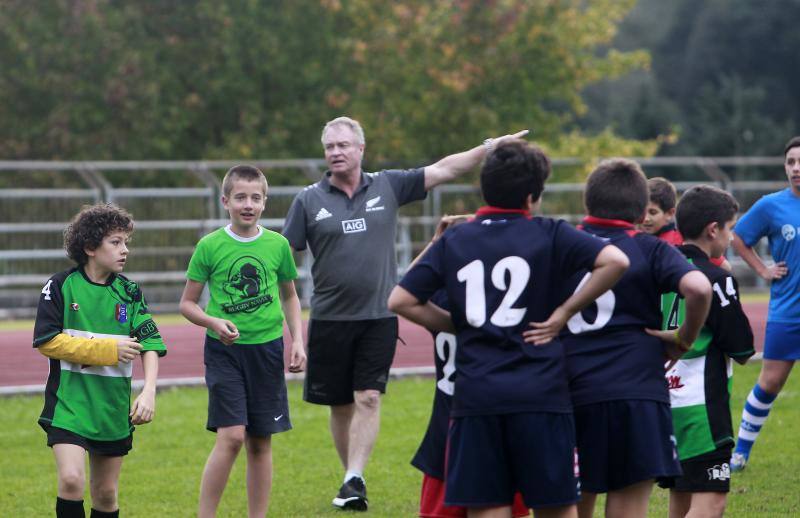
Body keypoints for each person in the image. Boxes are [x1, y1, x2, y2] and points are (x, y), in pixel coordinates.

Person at [282, 115, 527, 511]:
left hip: (379, 317)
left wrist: (490, 146)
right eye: (329, 146)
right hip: (329, 319)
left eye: (343, 145)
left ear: (361, 149)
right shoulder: (308, 200)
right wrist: (292, 331)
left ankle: (354, 477)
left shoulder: (388, 184)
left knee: (368, 397)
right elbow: (281, 261)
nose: (335, 152)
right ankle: (351, 478)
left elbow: (446, 167)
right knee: (340, 406)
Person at [389, 139, 630, 518]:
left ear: (484, 187)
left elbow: (400, 300)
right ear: (532, 197)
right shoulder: (550, 233)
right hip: (541, 394)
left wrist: (460, 324)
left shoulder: (456, 238)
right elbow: (615, 260)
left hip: (477, 398)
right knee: (555, 508)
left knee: (489, 508)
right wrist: (563, 314)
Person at [540, 159, 712, 518]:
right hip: (636, 391)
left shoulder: (559, 243)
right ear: (639, 210)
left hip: (569, 388)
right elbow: (698, 288)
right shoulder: (650, 248)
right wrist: (682, 339)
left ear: (587, 203)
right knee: (628, 505)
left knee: (572, 501)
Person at [180, 165, 306, 518]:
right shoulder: (210, 246)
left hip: (267, 351)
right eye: (240, 197)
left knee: (260, 442)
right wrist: (213, 321)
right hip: (225, 352)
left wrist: (298, 341)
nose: (247, 204)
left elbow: (290, 297)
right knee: (232, 436)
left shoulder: (278, 245)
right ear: (225, 201)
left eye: (255, 197)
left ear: (265, 202)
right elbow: (187, 304)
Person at [33, 203, 166, 518]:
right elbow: (48, 341)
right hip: (70, 405)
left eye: (126, 242)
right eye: (116, 242)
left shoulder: (130, 292)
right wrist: (108, 349)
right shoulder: (60, 285)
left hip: (111, 407)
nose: (125, 250)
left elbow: (151, 342)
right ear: (90, 247)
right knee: (71, 480)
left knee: (106, 495)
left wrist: (148, 390)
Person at [409, 215, 530, 518]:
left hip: (446, 424)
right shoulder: (497, 302)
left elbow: (405, 287)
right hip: (491, 415)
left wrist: (436, 244)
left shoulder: (439, 299)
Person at [657, 185, 755, 518]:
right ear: (713, 229)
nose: (730, 238)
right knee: (711, 501)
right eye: (730, 229)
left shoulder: (660, 269)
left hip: (662, 398)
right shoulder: (714, 277)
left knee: (682, 497)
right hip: (701, 407)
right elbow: (742, 347)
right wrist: (728, 285)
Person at [730, 136, 800, 472]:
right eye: (790, 163)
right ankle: (741, 452)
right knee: (770, 382)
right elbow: (738, 238)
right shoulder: (771, 206)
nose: (796, 169)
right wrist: (762, 269)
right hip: (787, 312)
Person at [643, 177, 730, 270]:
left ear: (670, 213)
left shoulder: (682, 240)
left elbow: (725, 267)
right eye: (642, 212)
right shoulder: (635, 238)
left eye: (653, 212)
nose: (646, 219)